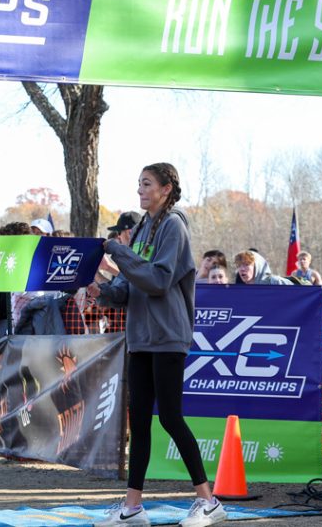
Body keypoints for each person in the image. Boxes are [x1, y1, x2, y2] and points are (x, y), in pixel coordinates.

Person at [87, 163, 225, 527]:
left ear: (166, 189)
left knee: (169, 416)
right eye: (138, 184)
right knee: (140, 422)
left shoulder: (174, 225)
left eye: (146, 184)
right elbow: (132, 286)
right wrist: (101, 291)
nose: (140, 191)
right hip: (141, 337)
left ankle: (208, 502)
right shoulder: (146, 227)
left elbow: (158, 280)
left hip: (167, 336)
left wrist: (118, 252)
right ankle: (132, 509)